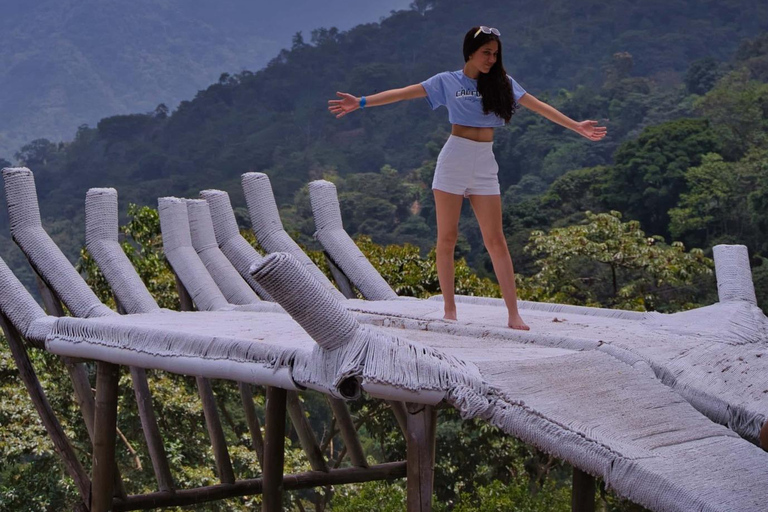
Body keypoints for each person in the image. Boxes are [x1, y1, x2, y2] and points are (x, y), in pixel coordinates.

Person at [328, 26, 607, 330]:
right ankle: (450, 309)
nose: (491, 59)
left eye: (495, 54)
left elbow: (539, 107)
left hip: (485, 163)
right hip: (453, 160)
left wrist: (577, 126)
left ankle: (514, 314)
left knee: (496, 239)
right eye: (486, 53)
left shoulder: (502, 84)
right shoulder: (446, 81)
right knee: (447, 238)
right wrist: (362, 102)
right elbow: (402, 93)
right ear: (470, 53)